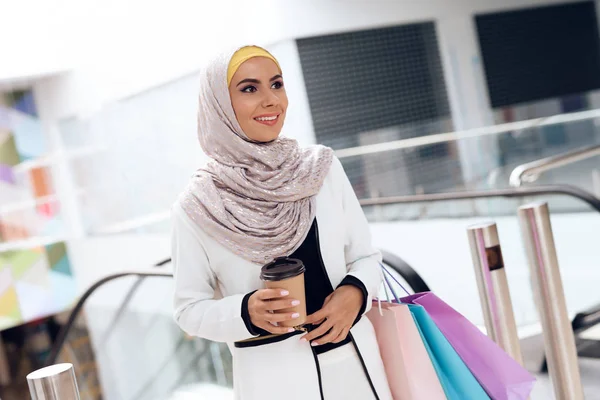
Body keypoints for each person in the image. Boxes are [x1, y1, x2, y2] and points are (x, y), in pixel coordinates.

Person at [171, 45, 392, 400]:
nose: (271, 100)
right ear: (219, 105)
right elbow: (188, 310)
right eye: (249, 88)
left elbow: (366, 256)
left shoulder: (320, 168)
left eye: (276, 84)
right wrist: (247, 311)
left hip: (357, 366)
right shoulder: (198, 205)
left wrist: (355, 293)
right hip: (276, 382)